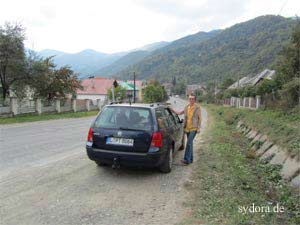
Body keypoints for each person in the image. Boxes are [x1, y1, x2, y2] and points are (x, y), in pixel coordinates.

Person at [169, 93, 201, 165]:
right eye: (190, 99)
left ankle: (186, 159)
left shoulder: (197, 108)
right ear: (188, 99)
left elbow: (200, 118)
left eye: (192, 99)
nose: (191, 100)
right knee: (190, 144)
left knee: (189, 143)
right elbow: (179, 113)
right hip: (187, 128)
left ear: (195, 100)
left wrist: (198, 128)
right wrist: (171, 109)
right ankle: (191, 159)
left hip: (194, 128)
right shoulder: (187, 107)